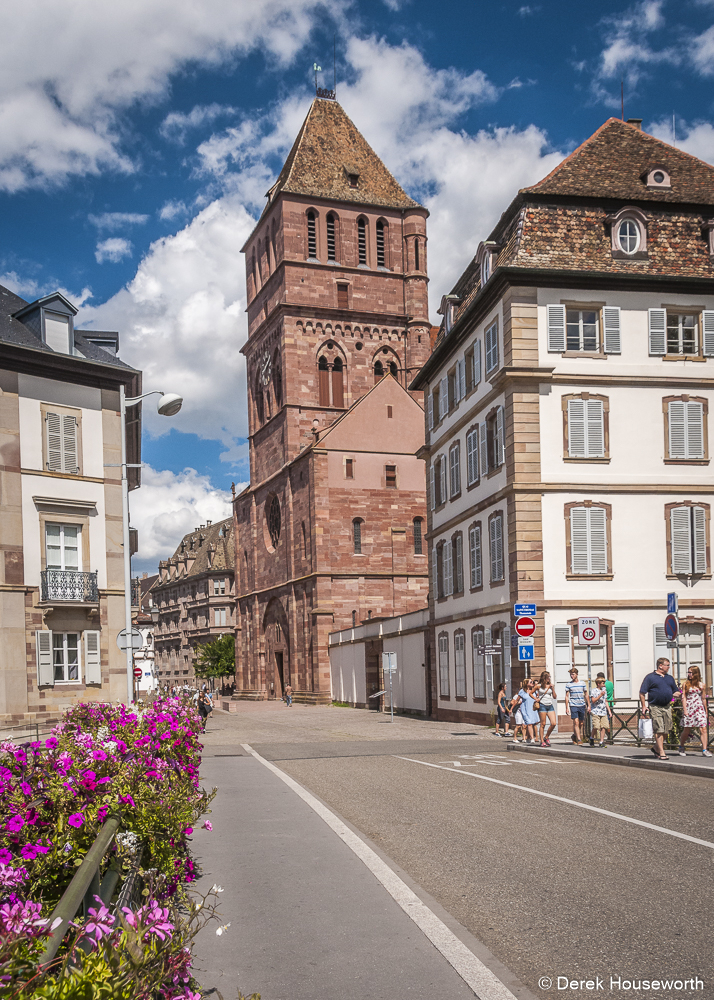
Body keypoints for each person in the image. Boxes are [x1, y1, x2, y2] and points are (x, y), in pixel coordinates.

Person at [639, 657, 681, 760]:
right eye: (667, 665)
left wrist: (681, 695)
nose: (669, 667)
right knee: (659, 729)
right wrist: (644, 705)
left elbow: (674, 691)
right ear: (660, 666)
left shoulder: (669, 678)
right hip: (655, 706)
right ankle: (662, 752)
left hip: (667, 706)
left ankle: (656, 748)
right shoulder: (650, 677)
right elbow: (642, 693)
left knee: (666, 730)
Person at [678, 666, 711, 757]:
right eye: (688, 672)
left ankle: (704, 749)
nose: (689, 674)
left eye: (690, 673)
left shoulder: (702, 685)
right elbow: (683, 698)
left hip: (699, 708)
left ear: (696, 674)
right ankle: (681, 746)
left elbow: (703, 698)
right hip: (689, 708)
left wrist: (706, 711)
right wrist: (685, 710)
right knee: (687, 729)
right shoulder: (686, 684)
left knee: (703, 729)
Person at [565, 668, 589, 745]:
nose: (572, 676)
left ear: (577, 674)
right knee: (576, 722)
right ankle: (579, 739)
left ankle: (575, 735)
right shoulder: (569, 684)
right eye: (571, 674)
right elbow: (566, 696)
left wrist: (588, 705)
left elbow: (586, 694)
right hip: (573, 704)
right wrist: (566, 707)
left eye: (573, 674)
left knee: (581, 723)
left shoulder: (582, 683)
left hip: (581, 704)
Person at [513, 678, 539, 745]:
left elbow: (538, 698)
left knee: (533, 723)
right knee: (529, 723)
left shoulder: (535, 691)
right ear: (526, 684)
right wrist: (511, 708)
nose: (532, 683)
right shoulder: (522, 691)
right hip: (525, 710)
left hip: (533, 709)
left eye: (532, 682)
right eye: (530, 682)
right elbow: (516, 700)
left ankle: (528, 737)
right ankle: (532, 738)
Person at [535, 670, 557, 747]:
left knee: (553, 723)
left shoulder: (551, 685)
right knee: (543, 724)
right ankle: (541, 741)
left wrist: (553, 688)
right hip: (542, 705)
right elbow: (530, 693)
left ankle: (546, 737)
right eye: (548, 677)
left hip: (550, 705)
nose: (549, 678)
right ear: (544, 678)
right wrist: (536, 698)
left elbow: (554, 697)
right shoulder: (539, 686)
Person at [589, 677, 612, 747]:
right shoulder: (594, 691)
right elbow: (593, 700)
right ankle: (591, 738)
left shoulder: (604, 691)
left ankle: (601, 741)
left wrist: (609, 711)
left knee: (604, 726)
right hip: (595, 711)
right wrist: (600, 695)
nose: (604, 684)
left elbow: (606, 701)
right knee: (596, 726)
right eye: (603, 683)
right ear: (598, 684)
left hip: (603, 711)